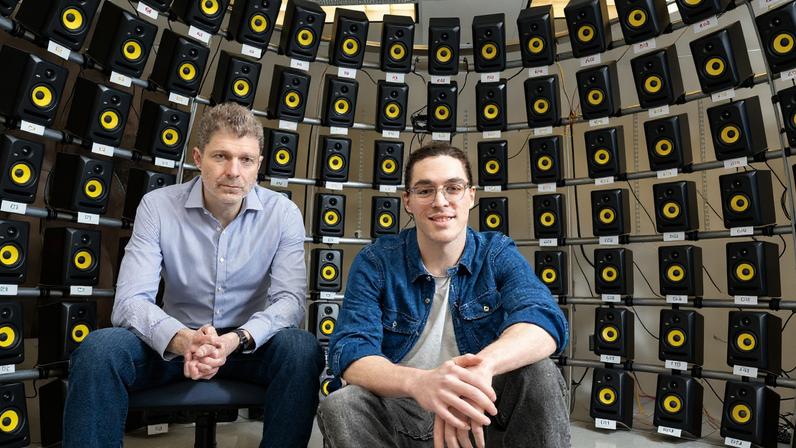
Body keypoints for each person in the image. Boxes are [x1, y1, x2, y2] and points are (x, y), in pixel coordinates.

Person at [62, 103, 324, 447]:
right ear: (198, 158)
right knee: (98, 350)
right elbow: (129, 303)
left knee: (302, 349)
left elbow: (289, 303)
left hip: (247, 346)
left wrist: (234, 341)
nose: (233, 171)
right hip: (174, 342)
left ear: (258, 164)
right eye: (221, 156)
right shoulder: (157, 206)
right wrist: (187, 341)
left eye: (246, 160)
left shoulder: (283, 214)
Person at [318, 142, 570, 448]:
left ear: (471, 196)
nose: (440, 201)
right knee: (342, 406)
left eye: (453, 188)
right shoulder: (377, 262)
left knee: (539, 373)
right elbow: (351, 351)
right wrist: (422, 383)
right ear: (407, 201)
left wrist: (479, 370)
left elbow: (543, 319)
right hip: (407, 410)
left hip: (480, 412)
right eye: (425, 191)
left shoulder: (496, 252)